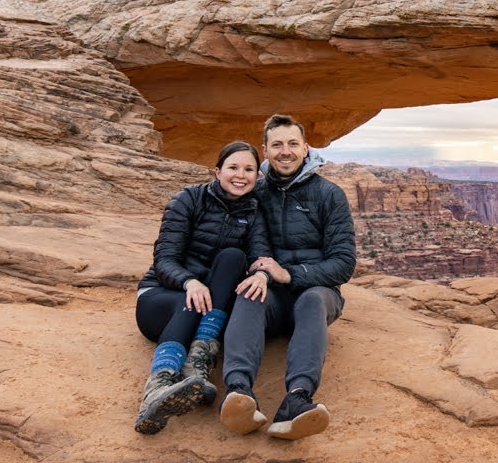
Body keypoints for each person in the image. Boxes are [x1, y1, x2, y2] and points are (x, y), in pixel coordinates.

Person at [218, 114, 357, 440]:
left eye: (293, 144)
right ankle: (238, 393)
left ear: (306, 148)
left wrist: (289, 274)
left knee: (310, 299)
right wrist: (264, 274)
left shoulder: (329, 195)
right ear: (265, 151)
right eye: (277, 145)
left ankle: (297, 400)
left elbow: (343, 263)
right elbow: (257, 247)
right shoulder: (258, 194)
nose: (286, 151)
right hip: (274, 297)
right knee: (248, 292)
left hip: (318, 293)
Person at [133, 140, 273, 435]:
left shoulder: (255, 212)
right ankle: (158, 388)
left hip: (209, 300)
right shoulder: (188, 199)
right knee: (192, 301)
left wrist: (263, 275)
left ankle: (197, 364)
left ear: (257, 177)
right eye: (233, 167)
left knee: (234, 257)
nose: (241, 175)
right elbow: (164, 259)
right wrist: (189, 281)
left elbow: (261, 256)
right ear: (217, 171)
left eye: (249, 169)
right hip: (161, 297)